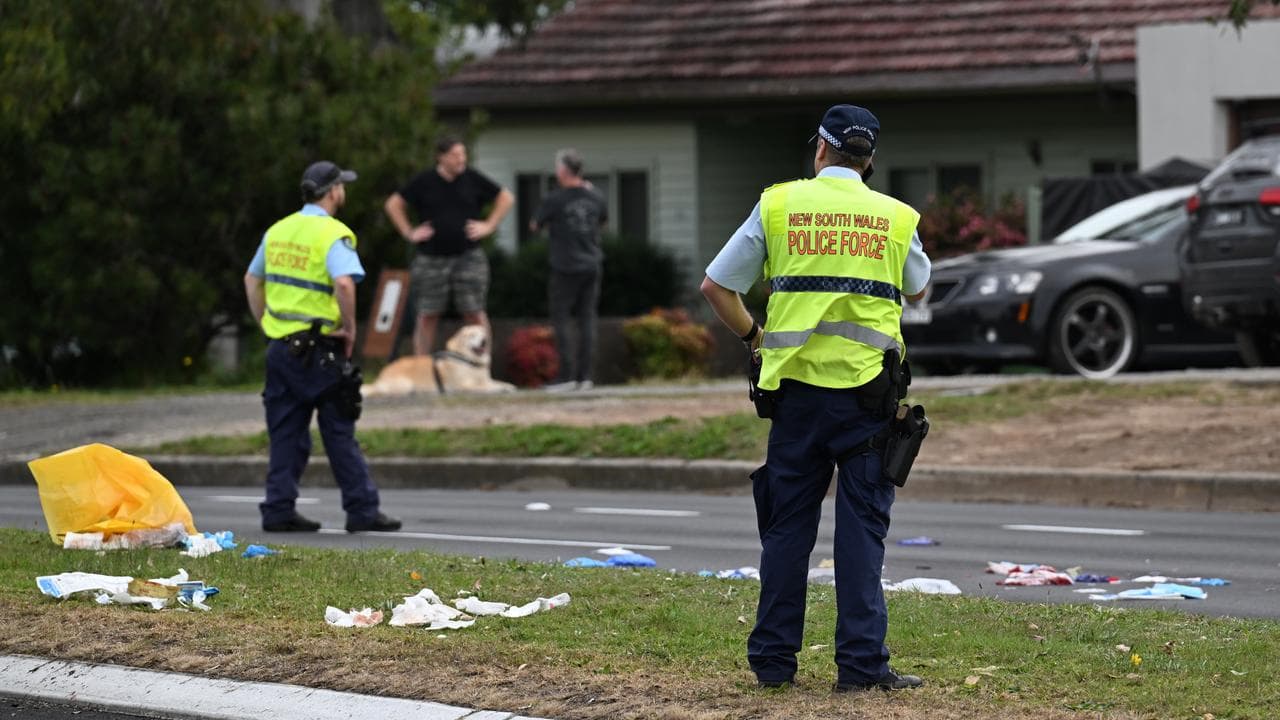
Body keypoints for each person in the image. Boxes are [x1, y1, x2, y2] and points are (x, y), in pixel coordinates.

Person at [700, 105, 931, 692]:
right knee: (861, 535)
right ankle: (861, 667)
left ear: (821, 149)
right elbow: (918, 286)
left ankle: (773, 663)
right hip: (868, 402)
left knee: (787, 530)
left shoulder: (778, 205)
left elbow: (716, 286)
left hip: (796, 401)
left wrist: (755, 338)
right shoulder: (895, 216)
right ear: (868, 161)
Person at [244, 160, 402, 534]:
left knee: (285, 432)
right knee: (338, 428)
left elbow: (252, 279)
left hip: (281, 348)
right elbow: (344, 284)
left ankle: (278, 509)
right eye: (341, 186)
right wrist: (350, 330)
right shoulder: (333, 233)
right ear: (333, 192)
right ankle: (361, 509)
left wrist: (267, 323)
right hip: (320, 349)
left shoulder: (278, 230)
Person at [384, 135, 514, 356]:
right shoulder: (424, 181)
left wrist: (489, 225)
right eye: (455, 155)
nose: (461, 159)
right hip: (431, 258)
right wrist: (409, 232)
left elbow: (506, 198)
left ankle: (482, 364)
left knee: (474, 312)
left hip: (469, 257)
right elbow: (393, 204)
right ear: (441, 157)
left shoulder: (472, 178)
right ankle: (422, 366)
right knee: (427, 315)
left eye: (463, 154)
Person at [530, 149, 607, 391]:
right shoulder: (596, 196)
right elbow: (603, 222)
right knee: (587, 319)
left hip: (565, 265)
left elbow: (534, 225)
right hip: (592, 264)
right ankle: (585, 377)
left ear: (563, 171)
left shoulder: (555, 199)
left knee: (561, 319)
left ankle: (566, 376)